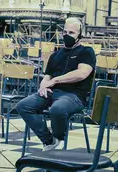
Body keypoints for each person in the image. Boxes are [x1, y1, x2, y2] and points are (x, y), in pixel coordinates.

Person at [15, 18, 96, 151]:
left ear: (80, 35)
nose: (66, 35)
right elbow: (47, 77)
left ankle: (59, 138)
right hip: (52, 92)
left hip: (74, 95)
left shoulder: (86, 52)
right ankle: (50, 141)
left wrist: (55, 81)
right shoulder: (55, 55)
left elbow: (82, 73)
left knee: (57, 109)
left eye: (71, 32)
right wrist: (43, 86)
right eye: (64, 31)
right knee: (23, 106)